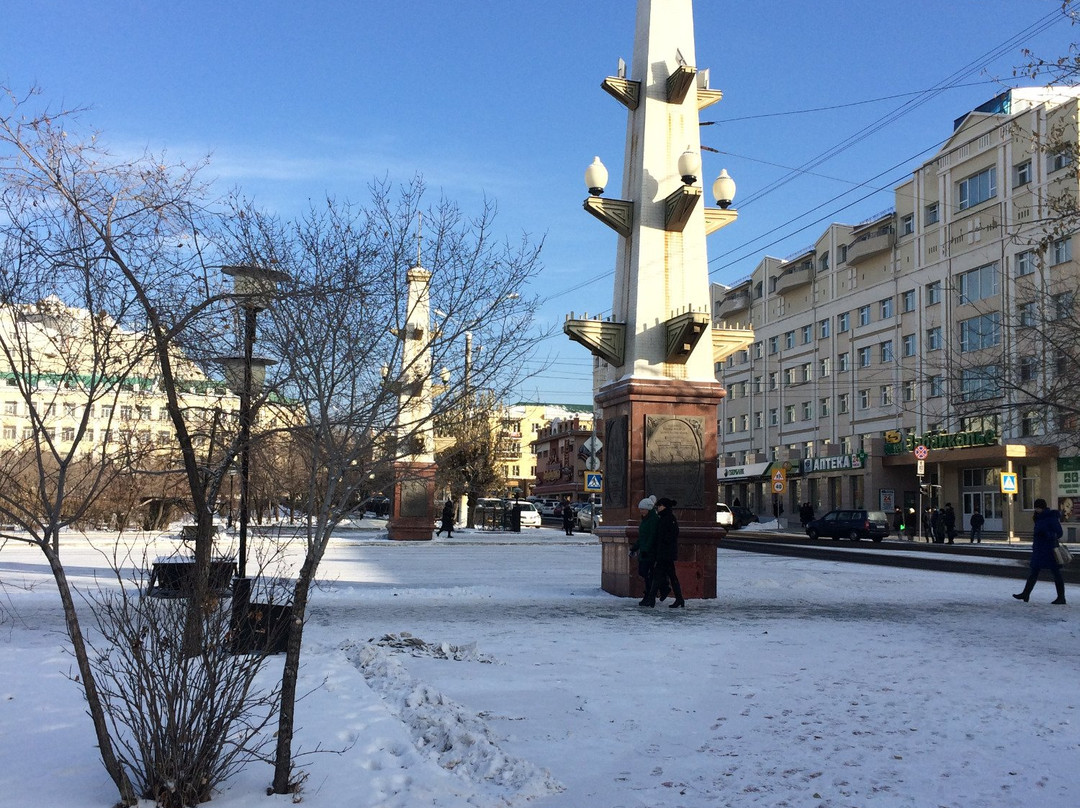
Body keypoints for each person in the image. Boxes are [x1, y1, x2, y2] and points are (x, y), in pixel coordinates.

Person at [1014, 498, 1067, 604]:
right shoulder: (1038, 517)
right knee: (1034, 571)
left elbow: (1059, 533)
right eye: (1035, 508)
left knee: (1056, 573)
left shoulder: (1051, 517)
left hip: (1050, 549)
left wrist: (1047, 534)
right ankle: (1025, 594)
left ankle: (1061, 597)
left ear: (1042, 507)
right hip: (1039, 549)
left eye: (1038, 508)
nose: (1036, 510)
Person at [641, 498, 684, 608]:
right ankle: (679, 599)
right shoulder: (665, 518)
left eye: (659, 506)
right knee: (670, 576)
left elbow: (670, 536)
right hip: (665, 553)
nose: (658, 508)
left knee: (657, 576)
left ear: (664, 506)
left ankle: (652, 599)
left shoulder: (668, 519)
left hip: (665, 554)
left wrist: (662, 547)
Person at [631, 496, 659, 601]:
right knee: (644, 573)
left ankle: (649, 595)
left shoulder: (653, 520)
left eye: (642, 509)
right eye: (640, 509)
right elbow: (642, 536)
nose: (641, 511)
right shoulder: (645, 520)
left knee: (648, 573)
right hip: (644, 551)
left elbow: (652, 536)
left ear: (648, 509)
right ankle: (649, 594)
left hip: (650, 552)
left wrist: (646, 549)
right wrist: (635, 547)